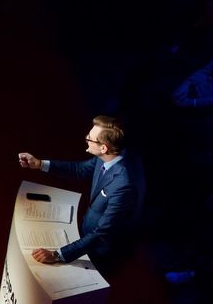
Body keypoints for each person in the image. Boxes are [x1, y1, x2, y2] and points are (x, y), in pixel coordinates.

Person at [18, 115, 146, 274]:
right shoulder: (110, 154)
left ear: (104, 147)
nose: (86, 138)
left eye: (90, 139)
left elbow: (102, 233)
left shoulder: (124, 185)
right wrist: (39, 164)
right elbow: (80, 169)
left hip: (102, 250)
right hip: (88, 233)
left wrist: (57, 254)